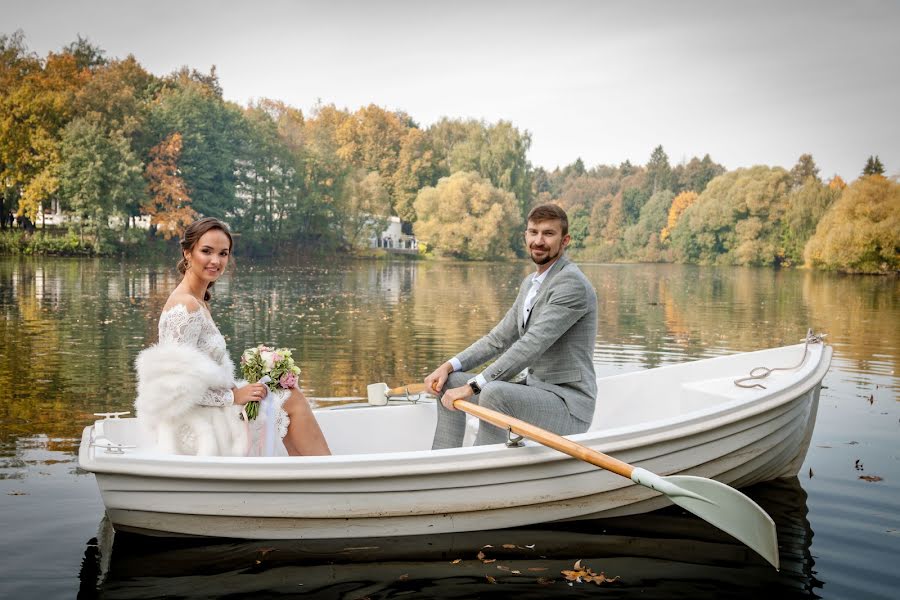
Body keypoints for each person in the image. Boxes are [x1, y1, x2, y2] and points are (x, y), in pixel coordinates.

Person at [134, 217, 330, 456]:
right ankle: (324, 471)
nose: (216, 261)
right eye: (207, 251)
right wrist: (233, 396)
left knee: (279, 393)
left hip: (213, 405)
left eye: (223, 253)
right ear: (187, 253)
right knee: (291, 400)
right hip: (198, 423)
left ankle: (308, 476)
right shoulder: (185, 307)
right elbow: (174, 389)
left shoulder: (198, 301)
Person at [425, 204, 598, 448]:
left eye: (548, 234)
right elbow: (498, 339)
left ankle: (482, 471)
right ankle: (441, 463)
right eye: (533, 232)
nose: (539, 240)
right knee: (450, 383)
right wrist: (448, 365)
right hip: (535, 391)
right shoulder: (531, 283)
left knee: (493, 392)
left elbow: (531, 346)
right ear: (525, 236)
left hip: (568, 406)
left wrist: (473, 387)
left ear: (565, 240)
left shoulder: (571, 284)